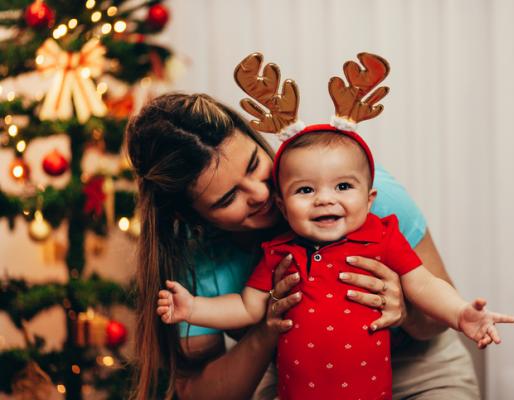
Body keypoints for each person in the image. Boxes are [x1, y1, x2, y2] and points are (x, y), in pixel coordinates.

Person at [127, 93, 484, 400]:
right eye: (228, 197)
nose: (262, 193)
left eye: (254, 165)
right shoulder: (197, 257)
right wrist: (268, 328)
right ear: (193, 219)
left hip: (418, 372)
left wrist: (404, 309)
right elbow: (199, 392)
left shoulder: (360, 198)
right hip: (300, 383)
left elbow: (439, 311)